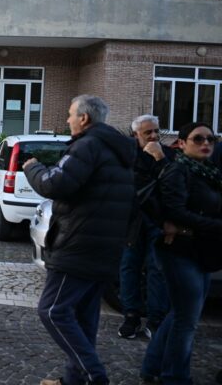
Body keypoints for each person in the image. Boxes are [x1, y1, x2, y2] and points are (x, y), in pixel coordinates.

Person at [23, 95, 135, 385]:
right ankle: (74, 380)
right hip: (104, 248)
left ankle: (94, 376)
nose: (68, 120)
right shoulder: (117, 150)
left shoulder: (88, 145)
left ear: (84, 118)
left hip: (78, 247)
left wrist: (32, 167)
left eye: (71, 115)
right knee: (85, 318)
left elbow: (54, 184)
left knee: (52, 310)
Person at [140, 122, 222, 384]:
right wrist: (217, 226)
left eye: (211, 139)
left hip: (202, 252)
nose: (206, 143)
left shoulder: (210, 173)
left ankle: (152, 368)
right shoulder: (178, 170)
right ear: (182, 143)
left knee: (181, 314)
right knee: (187, 319)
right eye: (198, 139)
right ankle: (174, 377)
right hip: (179, 251)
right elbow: (175, 211)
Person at [118, 115, 171, 339]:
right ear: (135, 135)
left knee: (156, 269)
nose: (153, 136)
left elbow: (173, 185)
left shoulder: (168, 156)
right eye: (147, 132)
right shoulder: (128, 158)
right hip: (132, 221)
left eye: (156, 131)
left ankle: (156, 318)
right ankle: (131, 315)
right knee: (129, 267)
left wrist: (160, 159)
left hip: (158, 222)